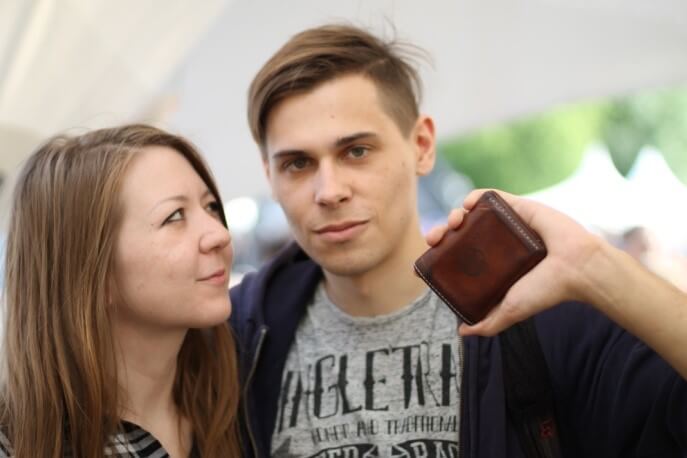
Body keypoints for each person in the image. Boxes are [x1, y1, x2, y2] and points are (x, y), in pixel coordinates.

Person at [229, 23, 687, 457]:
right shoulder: (236, 338)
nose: (329, 191)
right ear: (269, 174)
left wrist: (597, 266)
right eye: (297, 164)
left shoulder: (539, 312)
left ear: (422, 146)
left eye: (357, 151)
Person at [0, 125, 241, 457]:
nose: (219, 234)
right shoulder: (18, 446)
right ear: (92, 272)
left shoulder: (241, 400)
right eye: (174, 217)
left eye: (211, 206)